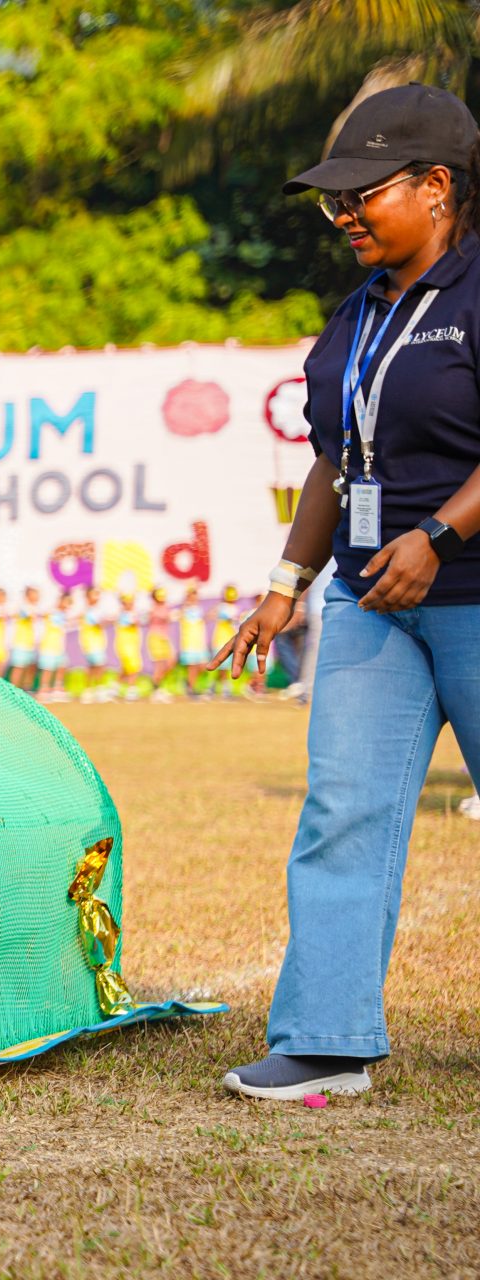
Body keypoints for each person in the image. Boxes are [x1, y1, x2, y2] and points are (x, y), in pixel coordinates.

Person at [215, 83, 480, 1101]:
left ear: (437, 186)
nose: (346, 217)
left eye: (364, 195)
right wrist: (287, 584)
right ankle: (328, 1037)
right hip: (372, 604)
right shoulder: (357, 314)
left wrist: (441, 534)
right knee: (342, 810)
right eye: (335, 202)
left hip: (468, 585)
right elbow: (335, 459)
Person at [37, 590, 72, 701]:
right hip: (49, 646)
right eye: (66, 602)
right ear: (60, 601)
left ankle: (57, 688)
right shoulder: (52, 612)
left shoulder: (62, 614)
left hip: (59, 647)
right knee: (47, 669)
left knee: (61, 667)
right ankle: (43, 690)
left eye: (69, 603)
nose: (68, 605)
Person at [78, 586, 111, 701]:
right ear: (88, 597)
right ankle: (98, 689)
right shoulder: (89, 612)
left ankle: (89, 691)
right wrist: (108, 620)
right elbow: (99, 624)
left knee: (92, 667)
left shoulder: (96, 610)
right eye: (94, 595)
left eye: (97, 595)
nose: (97, 597)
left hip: (97, 642)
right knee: (99, 666)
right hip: (91, 643)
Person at [178, 584, 212, 697]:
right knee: (192, 667)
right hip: (189, 642)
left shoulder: (198, 609)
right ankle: (191, 688)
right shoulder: (185, 608)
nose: (194, 597)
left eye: (195, 595)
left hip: (199, 642)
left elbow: (203, 619)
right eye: (191, 595)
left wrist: (211, 615)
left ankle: (189, 684)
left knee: (203, 666)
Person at [145, 588, 178, 702]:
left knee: (171, 661)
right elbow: (158, 617)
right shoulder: (153, 608)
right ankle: (156, 691)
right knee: (159, 665)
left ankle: (156, 683)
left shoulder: (166, 607)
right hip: (155, 637)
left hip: (164, 638)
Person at [8, 585, 41, 691]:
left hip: (29, 644)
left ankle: (25, 689)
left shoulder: (33, 607)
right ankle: (13, 690)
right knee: (18, 667)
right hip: (21, 643)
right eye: (34, 594)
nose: (37, 597)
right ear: (28, 595)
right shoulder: (24, 607)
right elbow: (29, 615)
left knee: (30, 667)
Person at [113, 591, 145, 699]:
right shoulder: (123, 615)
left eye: (131, 602)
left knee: (127, 668)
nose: (130, 605)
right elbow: (135, 623)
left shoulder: (131, 614)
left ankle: (115, 688)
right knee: (133, 666)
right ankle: (131, 689)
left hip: (133, 645)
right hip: (125, 645)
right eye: (127, 602)